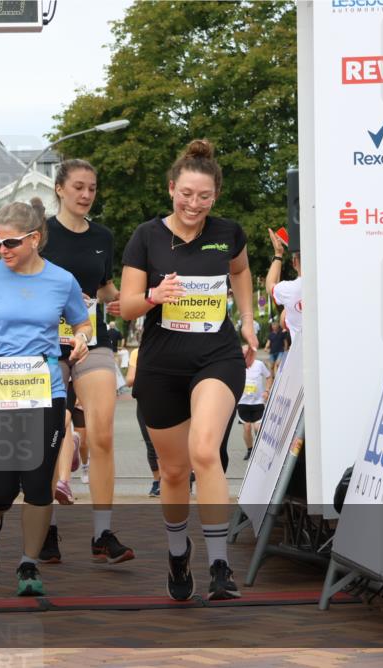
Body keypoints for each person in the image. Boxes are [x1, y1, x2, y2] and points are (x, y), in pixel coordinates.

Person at [120, 139, 258, 601]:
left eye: (204, 196)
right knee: (174, 471)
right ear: (171, 188)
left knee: (205, 451)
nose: (194, 204)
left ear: (215, 194)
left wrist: (248, 321)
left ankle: (220, 566)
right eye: (186, 194)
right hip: (161, 362)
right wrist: (156, 297)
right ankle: (178, 554)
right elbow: (128, 307)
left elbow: (241, 272)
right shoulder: (146, 236)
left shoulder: (228, 232)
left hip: (216, 356)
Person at [0, 201, 90, 596]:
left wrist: (82, 337)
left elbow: (81, 320)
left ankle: (28, 565)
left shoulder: (62, 280)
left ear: (34, 239)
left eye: (11, 242)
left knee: (37, 485)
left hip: (45, 390)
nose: (3, 249)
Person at [38, 159, 133, 565]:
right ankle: (47, 528)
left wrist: (125, 300)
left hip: (91, 339)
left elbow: (105, 285)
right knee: (49, 433)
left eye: (92, 188)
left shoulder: (103, 236)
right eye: (78, 186)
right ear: (59, 188)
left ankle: (102, 532)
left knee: (103, 432)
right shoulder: (40, 233)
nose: (85, 194)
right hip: (45, 343)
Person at [126, 347, 160, 497]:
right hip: (145, 401)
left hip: (172, 401)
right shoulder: (137, 353)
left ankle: (180, 479)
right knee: (151, 444)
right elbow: (129, 380)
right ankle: (157, 481)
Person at [266, 228, 303, 339]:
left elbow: (270, 286)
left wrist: (278, 254)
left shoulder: (288, 290)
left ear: (295, 262)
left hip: (301, 355)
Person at [238, 344, 271, 460]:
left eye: (247, 353)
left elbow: (268, 376)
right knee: (247, 428)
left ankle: (259, 448)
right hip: (242, 402)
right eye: (243, 353)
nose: (245, 355)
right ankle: (250, 450)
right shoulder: (238, 365)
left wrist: (267, 390)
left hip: (258, 402)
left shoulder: (259, 364)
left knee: (257, 428)